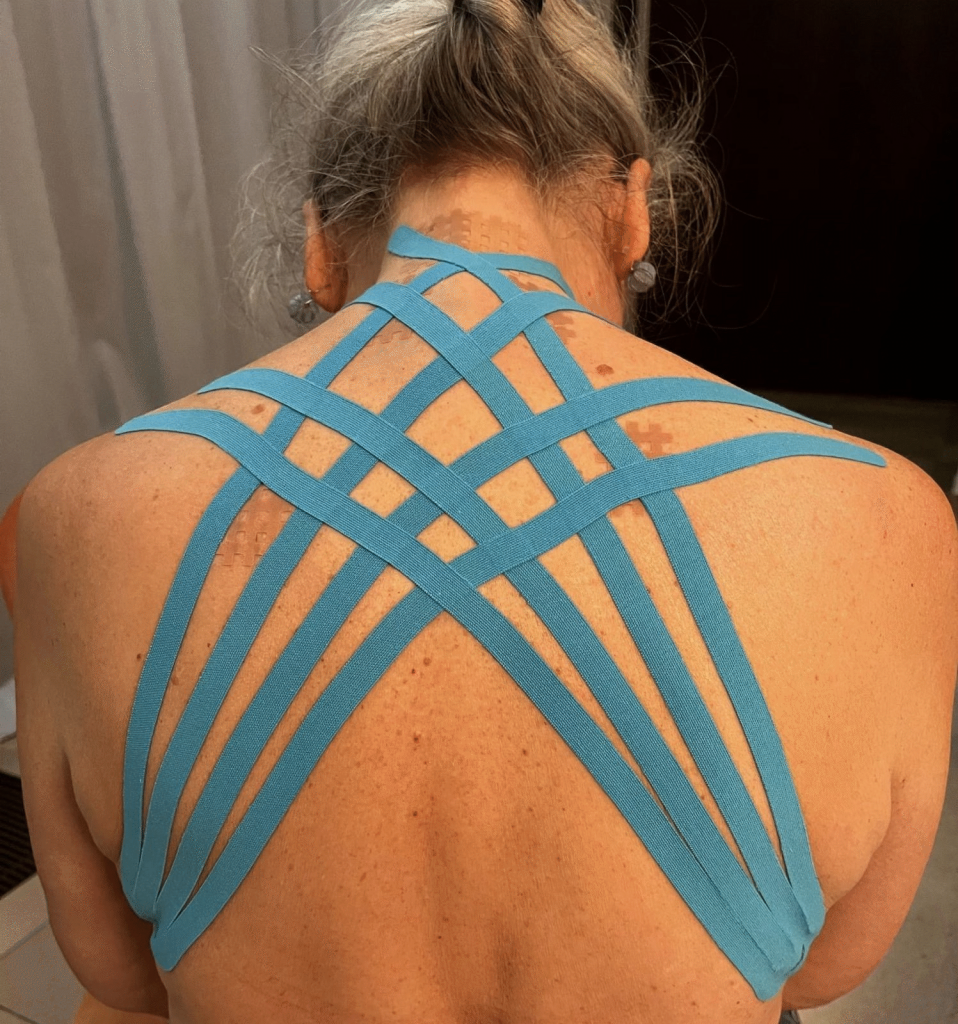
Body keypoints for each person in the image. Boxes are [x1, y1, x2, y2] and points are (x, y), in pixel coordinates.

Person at [8, 1, 957, 1023]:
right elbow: (819, 969)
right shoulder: (891, 523)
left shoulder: (70, 515)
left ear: (319, 245)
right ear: (632, 212)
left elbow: (120, 972)